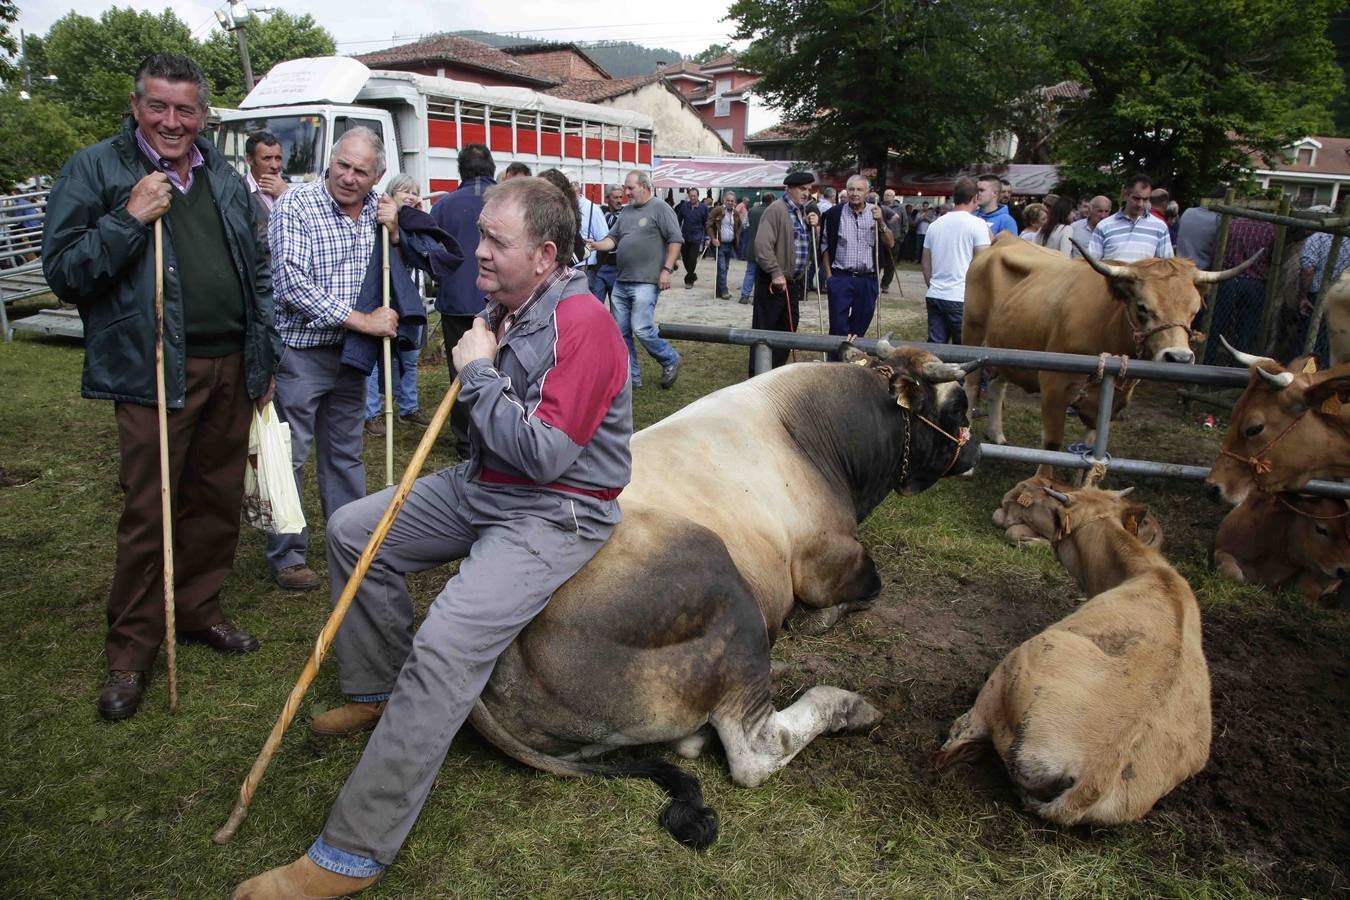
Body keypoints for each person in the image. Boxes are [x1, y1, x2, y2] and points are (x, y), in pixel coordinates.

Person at [232, 176, 633, 899]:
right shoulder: (507, 301)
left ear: (545, 254)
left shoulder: (587, 324)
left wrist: (476, 370)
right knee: (356, 530)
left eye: (494, 242)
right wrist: (484, 349)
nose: (475, 252)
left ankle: (351, 854)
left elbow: (545, 455)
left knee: (447, 638)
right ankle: (381, 690)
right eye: (480, 235)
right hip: (488, 483)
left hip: (554, 507)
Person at [42, 52, 280, 720]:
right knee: (152, 509)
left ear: (202, 113)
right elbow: (63, 270)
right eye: (158, 106)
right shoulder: (97, 169)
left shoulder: (224, 176)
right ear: (136, 103)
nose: (172, 122)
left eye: (185, 109)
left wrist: (264, 358)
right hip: (152, 367)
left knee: (214, 497)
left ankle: (198, 609)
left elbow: (256, 271)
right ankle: (132, 650)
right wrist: (127, 219)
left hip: (231, 362)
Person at [266, 126, 398, 592]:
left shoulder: (379, 211)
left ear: (376, 174)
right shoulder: (295, 205)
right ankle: (287, 555)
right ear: (331, 159)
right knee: (290, 455)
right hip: (300, 353)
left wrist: (396, 228)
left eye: (361, 171)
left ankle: (352, 539)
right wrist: (362, 321)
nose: (348, 177)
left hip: (350, 358)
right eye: (342, 164)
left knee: (344, 454)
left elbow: (395, 263)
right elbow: (291, 285)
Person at [586, 169, 683, 388]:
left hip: (646, 281)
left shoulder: (661, 208)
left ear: (645, 186)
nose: (626, 192)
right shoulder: (627, 212)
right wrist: (596, 244)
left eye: (630, 188)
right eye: (625, 188)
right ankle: (632, 378)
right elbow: (613, 238)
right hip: (622, 281)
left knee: (640, 328)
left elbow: (676, 240)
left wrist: (666, 269)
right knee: (621, 333)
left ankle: (670, 358)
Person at [430, 144, 496, 455]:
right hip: (499, 298)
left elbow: (431, 252)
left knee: (460, 371)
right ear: (491, 168)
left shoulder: (443, 206)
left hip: (457, 299)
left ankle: (466, 439)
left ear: (461, 169)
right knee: (503, 365)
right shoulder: (508, 199)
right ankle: (496, 433)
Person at [363, 174, 430, 436]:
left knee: (410, 357)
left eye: (415, 192)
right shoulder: (379, 221)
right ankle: (371, 413)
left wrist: (421, 222)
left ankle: (408, 407)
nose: (412, 196)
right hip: (386, 300)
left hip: (413, 302)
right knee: (376, 360)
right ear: (391, 194)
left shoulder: (417, 224)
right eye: (406, 191)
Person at [751, 170, 820, 374]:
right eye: (802, 189)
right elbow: (762, 245)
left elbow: (806, 246)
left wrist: (813, 228)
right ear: (788, 189)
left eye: (809, 189)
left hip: (792, 283)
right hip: (774, 282)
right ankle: (757, 376)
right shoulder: (776, 210)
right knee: (765, 333)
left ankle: (774, 373)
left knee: (788, 330)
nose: (806, 193)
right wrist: (775, 271)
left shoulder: (802, 212)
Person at [821, 174, 893, 347]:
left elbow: (890, 242)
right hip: (841, 277)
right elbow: (824, 246)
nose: (855, 193)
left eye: (859, 189)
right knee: (838, 327)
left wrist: (881, 222)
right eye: (851, 189)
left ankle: (852, 360)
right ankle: (835, 365)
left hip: (867, 278)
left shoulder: (876, 212)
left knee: (860, 325)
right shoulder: (834, 214)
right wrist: (830, 277)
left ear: (867, 191)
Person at [921, 176, 991, 344]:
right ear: (975, 198)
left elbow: (926, 263)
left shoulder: (935, 224)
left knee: (936, 349)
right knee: (964, 351)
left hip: (936, 293)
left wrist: (933, 285)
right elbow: (984, 262)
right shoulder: (978, 224)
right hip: (961, 296)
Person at [1088, 174, 1173, 262]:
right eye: (1136, 198)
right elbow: (1091, 264)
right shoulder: (1103, 226)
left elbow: (1167, 266)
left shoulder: (1160, 227)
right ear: (1125, 195)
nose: (1140, 204)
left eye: (1145, 199)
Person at [244, 130, 286, 266]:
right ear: (250, 159)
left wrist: (286, 195)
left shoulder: (286, 190)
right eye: (267, 158)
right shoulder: (239, 192)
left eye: (278, 158)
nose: (275, 166)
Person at [587, 184, 624, 303]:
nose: (619, 201)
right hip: (599, 267)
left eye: (620, 197)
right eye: (615, 198)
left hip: (617, 267)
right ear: (607, 199)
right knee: (596, 304)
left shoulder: (626, 215)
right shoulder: (598, 213)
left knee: (617, 307)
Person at [1175, 186, 1227, 269]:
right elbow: (1219, 251)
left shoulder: (1188, 211)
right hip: (1201, 271)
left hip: (1179, 267)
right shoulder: (1218, 220)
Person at [740, 192, 773, 304]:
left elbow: (745, 225)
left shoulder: (752, 211)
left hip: (752, 246)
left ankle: (745, 295)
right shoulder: (772, 212)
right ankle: (758, 297)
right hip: (766, 248)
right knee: (763, 274)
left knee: (750, 272)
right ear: (771, 200)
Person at [708, 190, 741, 299]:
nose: (730, 202)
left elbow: (739, 226)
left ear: (734, 202)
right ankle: (724, 291)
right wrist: (713, 238)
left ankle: (719, 290)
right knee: (722, 268)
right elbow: (708, 225)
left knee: (725, 268)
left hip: (730, 244)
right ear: (724, 200)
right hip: (720, 244)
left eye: (732, 201)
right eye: (728, 200)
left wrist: (737, 237)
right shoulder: (717, 210)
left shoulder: (735, 213)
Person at [673, 186, 709, 288]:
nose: (692, 198)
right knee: (685, 259)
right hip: (684, 236)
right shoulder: (684, 206)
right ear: (688, 196)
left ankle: (689, 281)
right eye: (691, 196)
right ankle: (693, 275)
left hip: (697, 237)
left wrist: (707, 237)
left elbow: (706, 223)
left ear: (698, 196)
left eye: (694, 196)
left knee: (692, 259)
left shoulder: (703, 208)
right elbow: (678, 220)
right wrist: (676, 233)